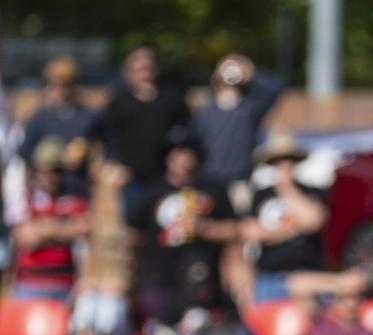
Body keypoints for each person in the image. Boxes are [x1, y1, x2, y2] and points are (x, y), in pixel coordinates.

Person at [128, 128, 245, 335]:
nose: (182, 159)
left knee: (198, 334)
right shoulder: (151, 192)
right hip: (160, 277)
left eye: (187, 153)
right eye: (176, 153)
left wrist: (206, 228)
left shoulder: (213, 189)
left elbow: (235, 230)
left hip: (201, 280)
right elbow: (134, 237)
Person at [237, 131, 364, 303]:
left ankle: (337, 285)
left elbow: (315, 220)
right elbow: (250, 231)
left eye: (289, 160)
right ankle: (338, 283)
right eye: (279, 161)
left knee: (307, 296)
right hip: (274, 277)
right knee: (300, 284)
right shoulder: (261, 195)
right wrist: (294, 227)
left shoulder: (312, 192)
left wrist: (288, 190)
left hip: (310, 271)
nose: (284, 165)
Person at [100, 46, 190, 212]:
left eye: (148, 67)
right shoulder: (120, 101)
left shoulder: (171, 99)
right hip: (131, 177)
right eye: (140, 68)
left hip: (164, 175)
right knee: (134, 224)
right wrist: (114, 163)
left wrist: (179, 157)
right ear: (130, 71)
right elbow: (108, 135)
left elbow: (184, 131)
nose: (145, 73)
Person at [7, 138, 90, 301]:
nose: (50, 177)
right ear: (35, 172)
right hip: (29, 285)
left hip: (65, 285)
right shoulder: (23, 198)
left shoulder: (73, 199)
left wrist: (42, 228)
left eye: (55, 171)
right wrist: (64, 230)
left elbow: (83, 230)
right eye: (44, 171)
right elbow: (26, 237)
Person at [190, 53, 283, 190]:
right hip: (209, 181)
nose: (231, 71)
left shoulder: (249, 109)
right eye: (226, 67)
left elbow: (276, 88)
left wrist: (251, 73)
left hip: (241, 181)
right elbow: (194, 144)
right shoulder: (205, 112)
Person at [17, 56, 98, 177]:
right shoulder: (40, 117)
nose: (60, 91)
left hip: (78, 186)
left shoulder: (86, 116)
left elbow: (107, 140)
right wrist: (51, 158)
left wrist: (92, 157)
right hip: (49, 189)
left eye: (66, 85)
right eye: (54, 85)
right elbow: (24, 151)